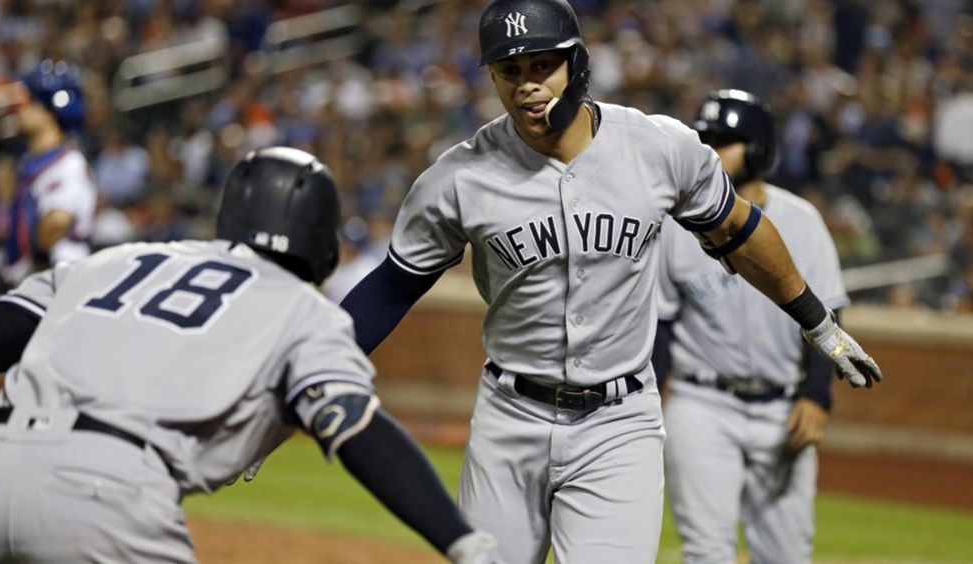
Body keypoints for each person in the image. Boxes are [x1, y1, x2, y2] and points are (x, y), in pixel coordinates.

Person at [337, 1, 881, 562]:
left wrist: (817, 323)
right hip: (509, 416)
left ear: (577, 63)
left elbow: (741, 229)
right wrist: (300, 381)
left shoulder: (657, 147)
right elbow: (391, 288)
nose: (527, 85)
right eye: (510, 71)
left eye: (542, 65)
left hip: (618, 424)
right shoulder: (458, 176)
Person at [0, 147, 499, 564]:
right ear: (324, 243)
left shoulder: (111, 261)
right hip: (107, 498)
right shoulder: (304, 310)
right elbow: (356, 428)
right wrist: (463, 543)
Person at [653, 90, 844, 564]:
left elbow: (830, 314)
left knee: (787, 554)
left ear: (759, 148)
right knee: (706, 552)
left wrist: (817, 396)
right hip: (702, 405)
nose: (710, 150)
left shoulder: (802, 221)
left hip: (781, 407)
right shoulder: (675, 226)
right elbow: (660, 323)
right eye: (705, 139)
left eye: (724, 141)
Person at [1, 59, 97, 288]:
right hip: (34, 281)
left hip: (58, 282)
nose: (21, 108)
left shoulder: (68, 163)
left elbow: (55, 225)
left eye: (30, 101)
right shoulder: (32, 161)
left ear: (50, 114)